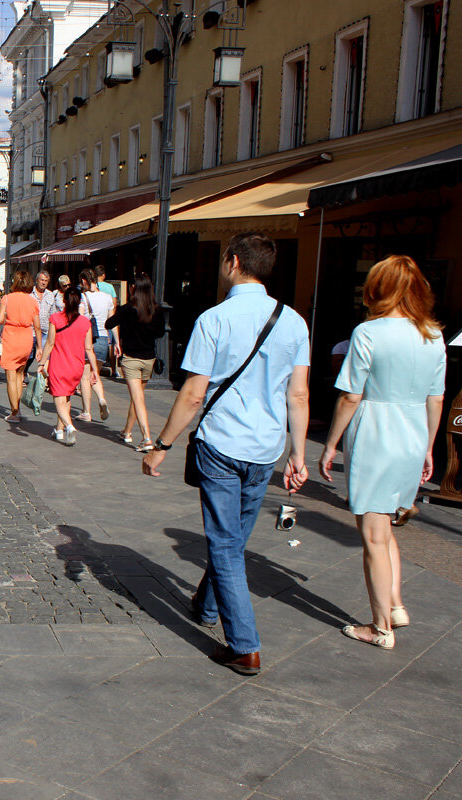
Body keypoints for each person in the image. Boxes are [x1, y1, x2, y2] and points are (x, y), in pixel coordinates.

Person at [143, 232, 310, 676]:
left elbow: (193, 394)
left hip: (221, 443)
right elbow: (299, 394)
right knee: (233, 539)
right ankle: (206, 605)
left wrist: (161, 445)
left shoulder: (214, 319)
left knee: (224, 544)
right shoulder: (294, 322)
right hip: (266, 447)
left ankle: (244, 645)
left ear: (233, 262)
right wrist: (298, 452)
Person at [318, 256, 446, 650]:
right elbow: (436, 397)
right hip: (411, 434)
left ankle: (379, 627)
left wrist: (330, 443)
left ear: (377, 289)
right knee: (386, 525)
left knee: (372, 533)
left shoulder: (368, 332)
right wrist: (427, 446)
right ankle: (394, 604)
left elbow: (351, 395)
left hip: (376, 432)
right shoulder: (433, 335)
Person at [106, 273, 165, 451]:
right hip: (149, 359)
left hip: (131, 359)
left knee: (137, 398)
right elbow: (161, 333)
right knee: (137, 396)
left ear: (134, 289)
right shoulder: (156, 309)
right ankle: (127, 431)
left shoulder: (128, 308)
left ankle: (147, 437)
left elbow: (109, 323)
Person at [38, 285, 99, 446]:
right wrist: (94, 370)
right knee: (66, 397)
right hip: (76, 366)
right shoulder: (85, 322)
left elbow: (50, 343)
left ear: (64, 300)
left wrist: (42, 363)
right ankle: (59, 431)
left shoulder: (56, 319)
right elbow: (89, 349)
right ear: (79, 302)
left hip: (59, 364)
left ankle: (69, 426)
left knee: (58, 398)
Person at [0, 269, 41, 423]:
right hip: (26, 338)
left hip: (11, 336)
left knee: (10, 377)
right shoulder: (33, 301)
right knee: (19, 375)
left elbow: (0, 320)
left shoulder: (7, 299)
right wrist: (40, 347)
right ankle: (17, 409)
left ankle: (14, 412)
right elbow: (37, 326)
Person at [77, 269, 113, 422]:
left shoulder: (83, 297)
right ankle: (101, 399)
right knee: (95, 374)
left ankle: (86, 411)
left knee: (85, 377)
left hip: (88, 339)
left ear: (85, 281)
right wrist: (115, 342)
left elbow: (80, 318)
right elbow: (112, 322)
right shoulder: (107, 297)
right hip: (104, 339)